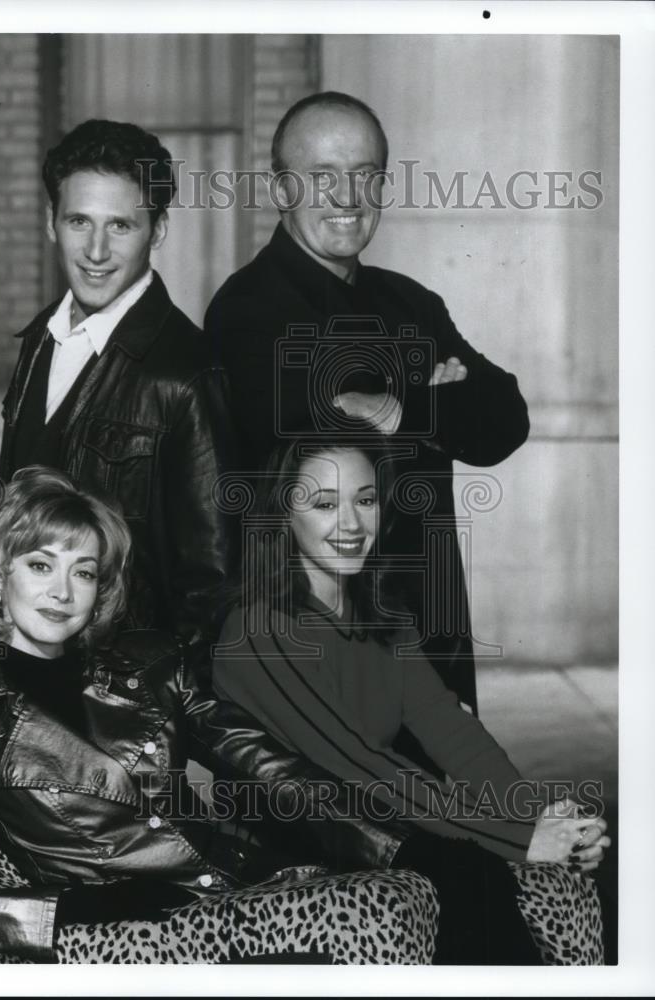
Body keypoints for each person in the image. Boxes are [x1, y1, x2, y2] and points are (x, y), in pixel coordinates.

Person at [0, 467, 457, 965]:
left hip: (237, 889)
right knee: (378, 905)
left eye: (84, 572)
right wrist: (66, 910)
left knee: (414, 885)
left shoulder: (155, 665)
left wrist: (393, 843)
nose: (62, 591)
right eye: (41, 565)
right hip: (134, 935)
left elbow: (271, 770)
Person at [212, 426, 611, 964]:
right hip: (299, 846)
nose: (351, 524)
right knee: (472, 871)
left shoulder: (383, 614)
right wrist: (522, 837)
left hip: (381, 824)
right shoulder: (258, 629)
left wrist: (539, 813)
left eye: (366, 499)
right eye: (325, 504)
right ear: (283, 513)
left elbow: (451, 731)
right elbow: (362, 767)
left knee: (604, 854)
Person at [205, 91, 530, 724]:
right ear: (280, 190)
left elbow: (504, 421)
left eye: (365, 175)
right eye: (321, 176)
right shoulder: (245, 308)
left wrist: (399, 408)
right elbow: (313, 418)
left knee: (451, 816)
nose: (347, 197)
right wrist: (432, 396)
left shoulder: (412, 303)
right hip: (312, 654)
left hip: (429, 636)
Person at [0, 119, 234, 647]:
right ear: (50, 222)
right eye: (80, 221)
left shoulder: (188, 372)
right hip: (30, 667)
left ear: (159, 230)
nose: (96, 251)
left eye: (120, 226)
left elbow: (213, 587)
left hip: (128, 700)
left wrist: (166, 717)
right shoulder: (39, 339)